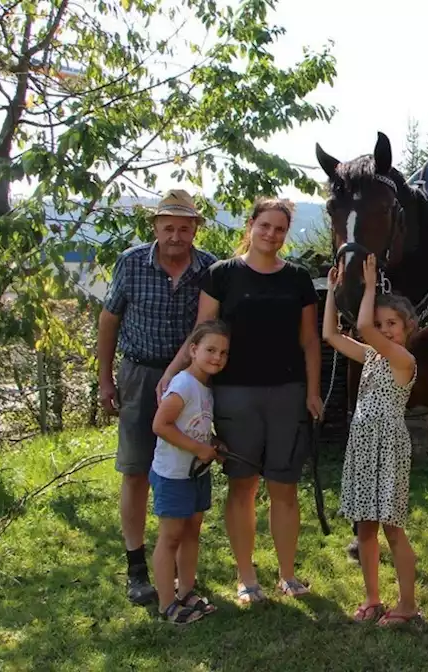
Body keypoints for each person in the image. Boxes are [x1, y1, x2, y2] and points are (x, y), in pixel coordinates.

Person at [161, 197, 323, 604]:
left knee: (284, 487)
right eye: (264, 225)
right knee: (243, 485)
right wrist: (173, 373)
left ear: (286, 234)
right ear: (251, 225)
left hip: (288, 394)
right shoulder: (222, 276)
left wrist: (314, 390)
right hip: (235, 395)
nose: (271, 234)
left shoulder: (299, 279)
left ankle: (287, 574)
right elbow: (203, 333)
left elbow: (310, 342)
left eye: (280, 229)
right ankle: (247, 577)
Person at [97, 188, 216, 605]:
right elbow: (108, 321)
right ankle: (136, 566)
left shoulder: (209, 269)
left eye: (185, 228)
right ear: (155, 228)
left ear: (195, 230)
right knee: (135, 469)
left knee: (185, 466)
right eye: (169, 227)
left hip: (191, 378)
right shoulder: (131, 263)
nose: (176, 236)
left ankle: (182, 570)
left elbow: (207, 327)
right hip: (139, 371)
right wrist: (105, 379)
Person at [322, 255, 421, 626]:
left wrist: (367, 288)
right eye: (381, 325)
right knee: (365, 527)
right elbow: (330, 335)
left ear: (407, 326)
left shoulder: (402, 359)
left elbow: (362, 325)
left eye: (391, 324)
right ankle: (372, 598)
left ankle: (408, 605)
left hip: (388, 445)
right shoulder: (373, 357)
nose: (384, 329)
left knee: (393, 528)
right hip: (363, 445)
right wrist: (332, 292)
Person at [149, 320, 231, 624]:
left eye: (223, 353)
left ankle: (185, 590)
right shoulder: (183, 384)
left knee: (191, 532)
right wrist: (198, 450)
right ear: (193, 350)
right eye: (210, 350)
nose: (217, 358)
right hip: (173, 474)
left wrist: (213, 444)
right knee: (170, 537)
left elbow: (194, 428)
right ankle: (167, 605)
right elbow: (160, 425)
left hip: (195, 474)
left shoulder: (204, 388)